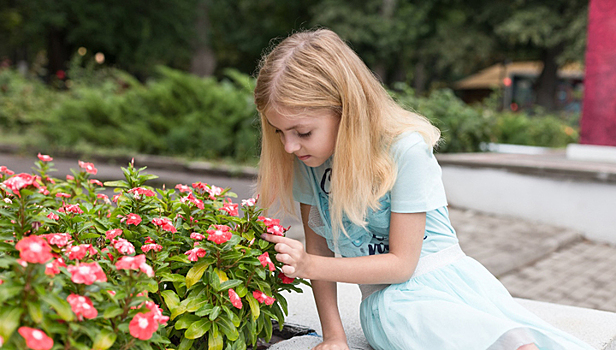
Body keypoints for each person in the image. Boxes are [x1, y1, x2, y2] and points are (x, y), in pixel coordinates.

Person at [254, 28, 594, 350]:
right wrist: (334, 336)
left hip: (449, 285)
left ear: (346, 109)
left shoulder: (405, 149)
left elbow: (401, 264)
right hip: (389, 301)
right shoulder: (309, 163)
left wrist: (308, 265)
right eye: (279, 132)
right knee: (402, 315)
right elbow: (320, 251)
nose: (289, 147)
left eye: (302, 131)